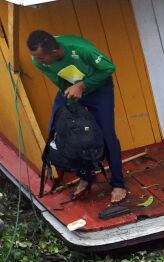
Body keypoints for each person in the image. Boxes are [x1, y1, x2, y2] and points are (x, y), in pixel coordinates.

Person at [27, 30, 127, 204]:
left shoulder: (81, 49)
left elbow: (109, 68)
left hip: (98, 89)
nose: (37, 61)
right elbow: (59, 81)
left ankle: (118, 183)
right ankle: (86, 176)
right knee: (63, 132)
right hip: (69, 89)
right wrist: (72, 97)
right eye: (36, 57)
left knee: (107, 135)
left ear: (54, 52)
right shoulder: (38, 61)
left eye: (41, 58)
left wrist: (83, 85)